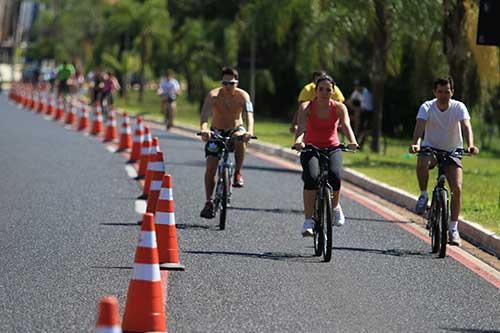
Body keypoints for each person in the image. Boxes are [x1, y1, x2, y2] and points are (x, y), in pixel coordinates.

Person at [409, 76, 479, 246]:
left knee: (457, 187)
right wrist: (416, 144)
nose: (443, 95)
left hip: (452, 152)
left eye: (447, 92)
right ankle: (424, 195)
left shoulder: (458, 107)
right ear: (435, 92)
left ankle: (453, 229)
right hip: (430, 149)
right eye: (440, 92)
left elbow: (466, 126)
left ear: (452, 92)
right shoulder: (427, 107)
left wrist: (470, 145)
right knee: (422, 162)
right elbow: (419, 128)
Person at [293, 74, 358, 236]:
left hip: (332, 147)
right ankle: (308, 220)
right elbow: (301, 127)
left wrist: (352, 141)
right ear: (315, 91)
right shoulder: (306, 107)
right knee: (312, 178)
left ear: (333, 91)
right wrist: (299, 141)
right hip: (310, 148)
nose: (324, 92)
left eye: (328, 89)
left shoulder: (339, 107)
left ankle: (335, 206)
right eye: (321, 89)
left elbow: (346, 126)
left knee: (335, 176)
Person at [199, 67, 255, 218]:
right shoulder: (213, 95)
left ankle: (237, 172)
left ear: (237, 82)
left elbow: (249, 115)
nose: (228, 86)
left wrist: (249, 131)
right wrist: (204, 130)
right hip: (216, 131)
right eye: (225, 83)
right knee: (211, 166)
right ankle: (208, 201)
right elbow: (204, 116)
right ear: (221, 82)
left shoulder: (243, 96)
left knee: (239, 137)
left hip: (236, 128)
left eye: (231, 83)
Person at [347, 80, 373, 148]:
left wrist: (354, 108)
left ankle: (357, 133)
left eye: (357, 86)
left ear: (361, 86)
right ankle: (354, 129)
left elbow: (364, 108)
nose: (356, 88)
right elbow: (349, 101)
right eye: (355, 86)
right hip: (360, 111)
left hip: (367, 112)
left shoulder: (366, 94)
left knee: (363, 128)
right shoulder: (356, 92)